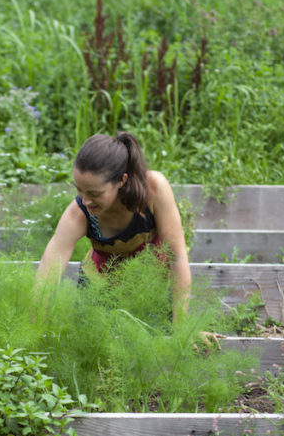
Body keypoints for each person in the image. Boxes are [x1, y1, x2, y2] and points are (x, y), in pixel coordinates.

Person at [36, 132, 192, 320]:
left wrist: (182, 331)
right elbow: (47, 274)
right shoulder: (78, 213)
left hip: (150, 290)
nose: (85, 201)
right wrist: (33, 325)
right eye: (79, 190)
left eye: (94, 193)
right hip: (98, 292)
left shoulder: (153, 189)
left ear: (122, 180)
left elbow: (177, 259)